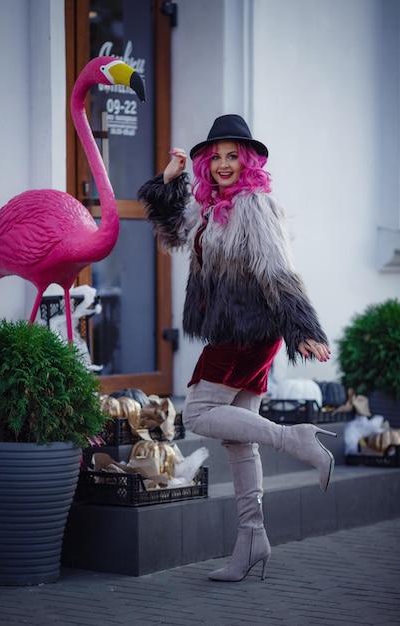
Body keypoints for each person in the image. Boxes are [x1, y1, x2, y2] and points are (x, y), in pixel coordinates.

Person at [137, 114, 336, 583]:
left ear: (246, 162)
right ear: (207, 163)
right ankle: (252, 540)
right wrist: (169, 184)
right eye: (217, 157)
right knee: (238, 439)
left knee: (197, 413)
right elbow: (172, 233)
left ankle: (296, 439)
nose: (224, 165)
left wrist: (302, 328)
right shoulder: (210, 205)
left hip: (247, 331)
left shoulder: (253, 205)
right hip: (237, 330)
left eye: (233, 156)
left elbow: (278, 270)